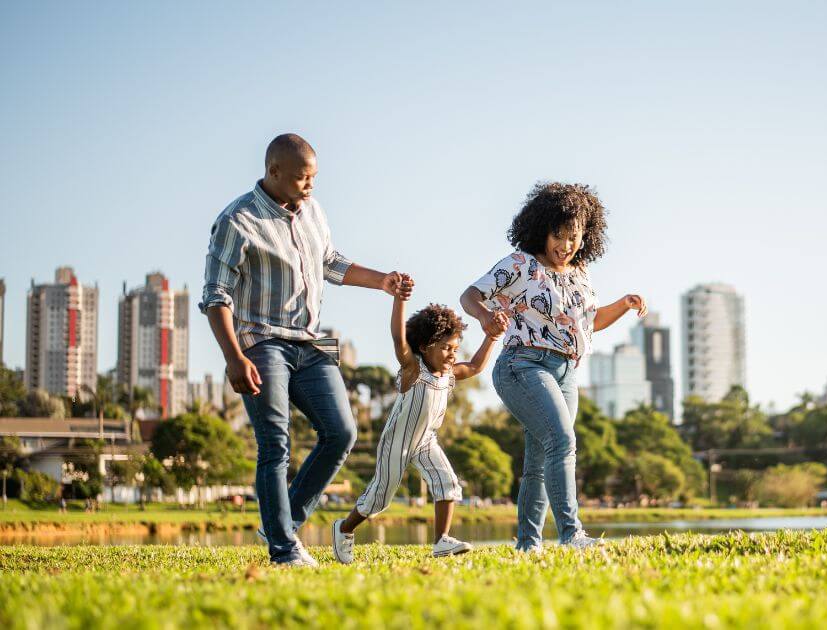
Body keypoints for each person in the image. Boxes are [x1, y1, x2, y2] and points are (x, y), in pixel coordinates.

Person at [200, 133, 410, 567]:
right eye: (301, 178)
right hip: (261, 343)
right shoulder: (237, 220)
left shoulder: (313, 211)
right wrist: (233, 357)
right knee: (275, 443)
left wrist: (382, 281)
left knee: (342, 432)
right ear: (273, 171)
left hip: (311, 342)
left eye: (314, 177)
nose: (309, 186)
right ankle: (283, 549)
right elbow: (216, 296)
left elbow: (330, 261)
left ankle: (283, 519)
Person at [460, 182, 646, 553]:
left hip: (566, 373)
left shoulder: (581, 272)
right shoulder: (520, 264)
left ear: (585, 236)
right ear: (541, 230)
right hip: (523, 365)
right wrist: (485, 318)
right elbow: (470, 295)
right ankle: (571, 534)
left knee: (539, 461)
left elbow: (588, 321)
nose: (566, 245)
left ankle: (528, 546)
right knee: (562, 441)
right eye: (558, 235)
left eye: (574, 237)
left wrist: (623, 304)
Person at [332, 285, 507, 562]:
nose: (452, 354)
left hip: (427, 441)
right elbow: (398, 338)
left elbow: (474, 366)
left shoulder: (448, 375)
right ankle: (344, 528)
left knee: (447, 483)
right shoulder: (413, 370)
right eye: (446, 348)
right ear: (424, 347)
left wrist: (492, 336)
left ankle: (441, 541)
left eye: (455, 348)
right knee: (380, 496)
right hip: (398, 441)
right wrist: (399, 301)